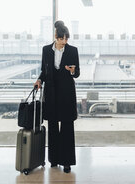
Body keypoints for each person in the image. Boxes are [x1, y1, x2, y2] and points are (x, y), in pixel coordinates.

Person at [34, 20, 80, 173]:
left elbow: (77, 73)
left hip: (67, 95)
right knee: (53, 127)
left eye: (67, 39)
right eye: (62, 39)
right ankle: (54, 159)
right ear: (55, 37)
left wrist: (72, 70)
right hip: (52, 94)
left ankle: (66, 162)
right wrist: (40, 80)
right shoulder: (46, 50)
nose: (64, 42)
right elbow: (44, 71)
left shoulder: (73, 51)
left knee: (67, 128)